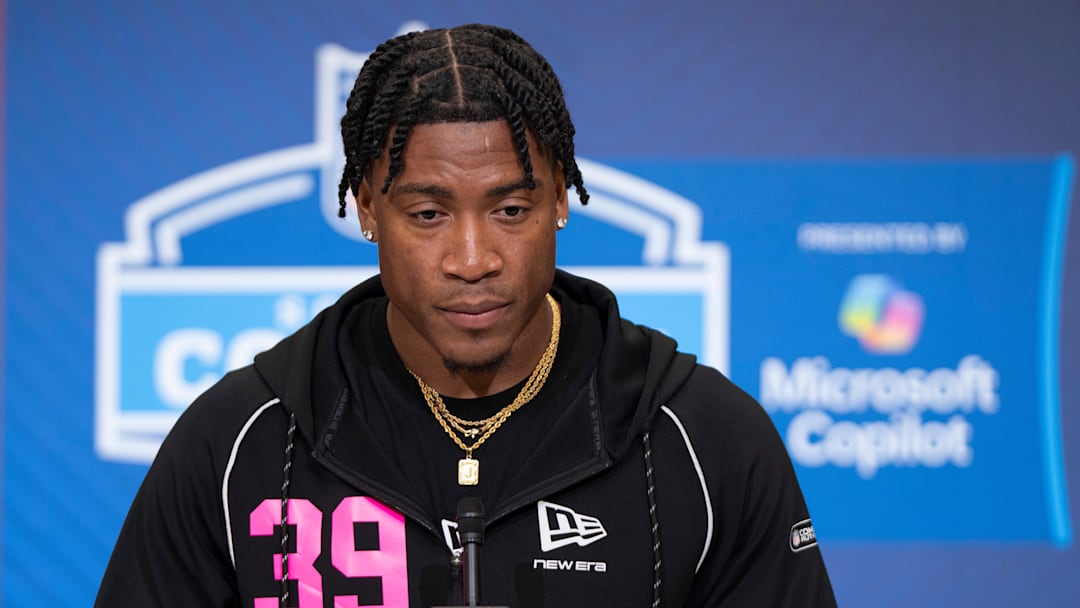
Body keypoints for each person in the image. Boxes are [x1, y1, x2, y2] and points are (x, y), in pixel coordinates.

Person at [96, 23, 836, 607]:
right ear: (367, 209)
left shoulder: (703, 436)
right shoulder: (242, 440)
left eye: (510, 209)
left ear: (559, 200)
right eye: (429, 214)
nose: (473, 259)